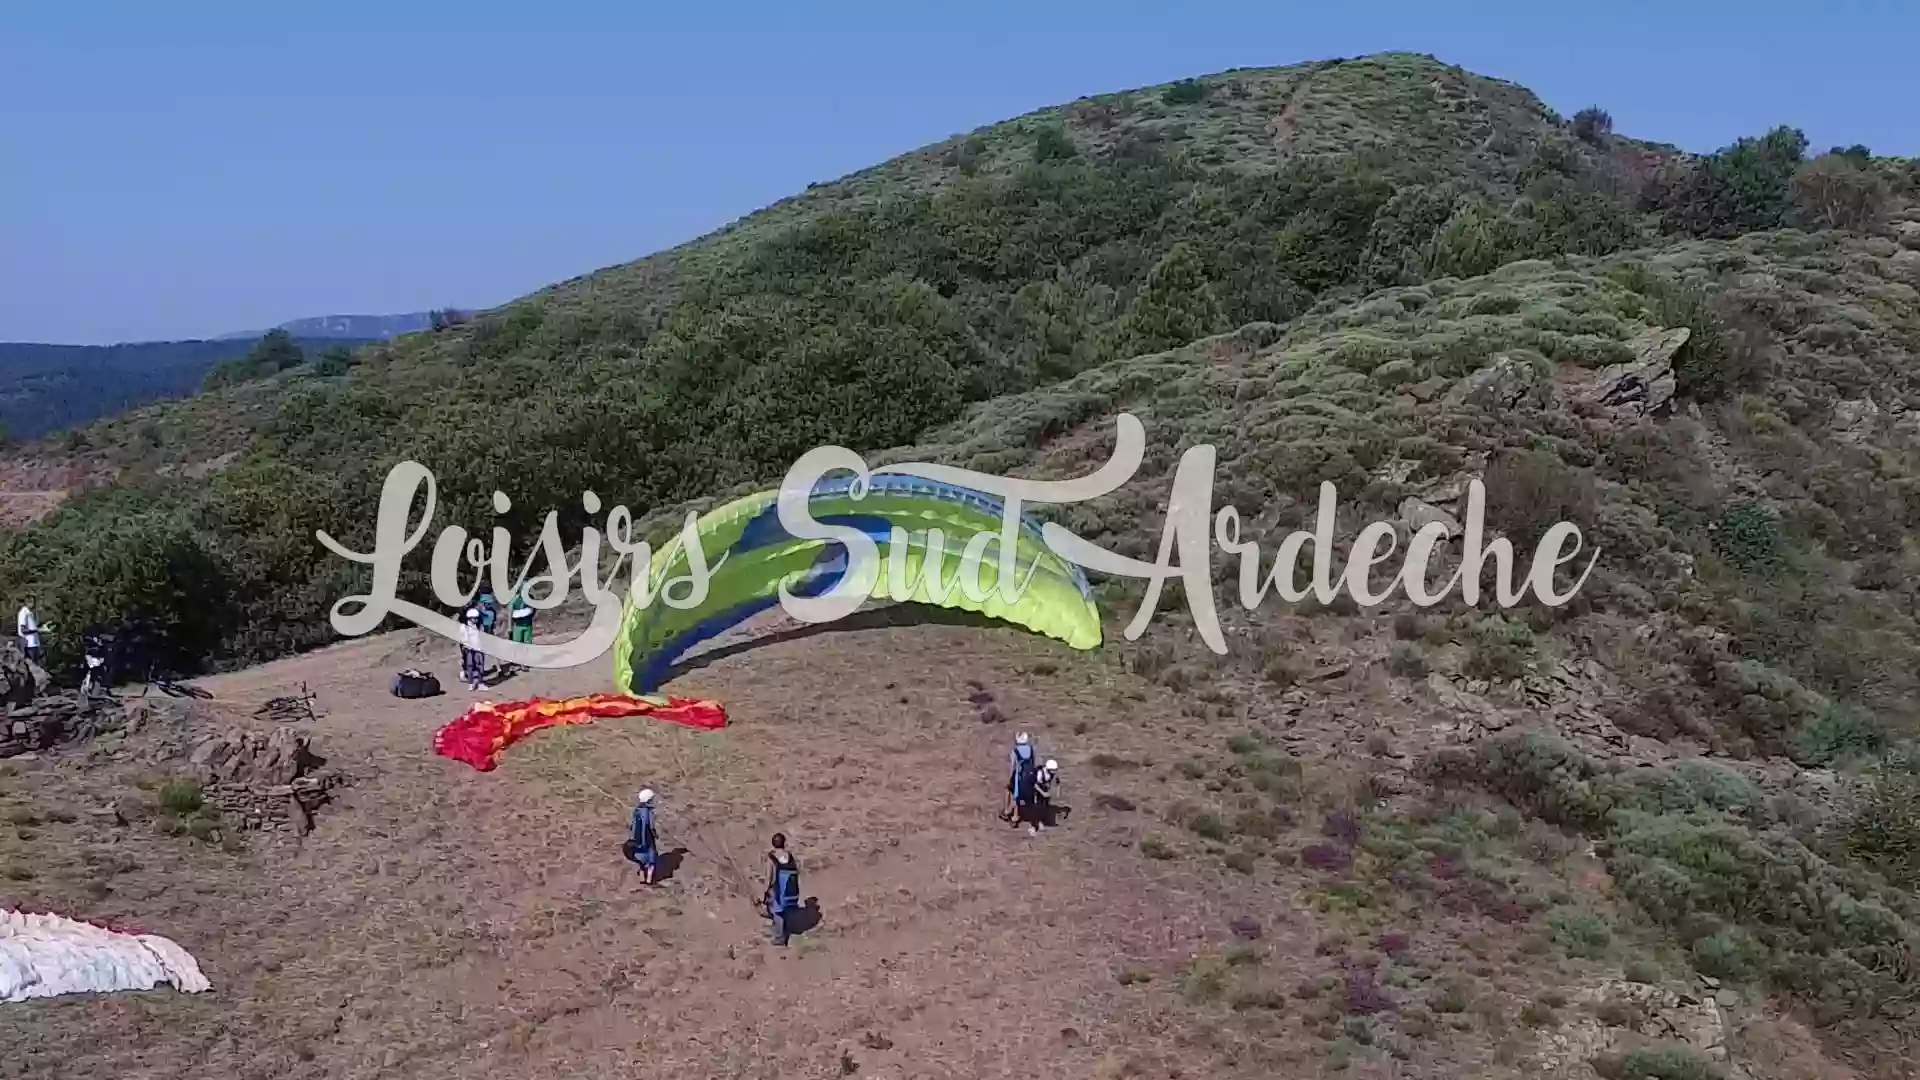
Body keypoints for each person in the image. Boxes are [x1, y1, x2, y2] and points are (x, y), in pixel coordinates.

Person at [763, 833, 802, 946]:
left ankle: (780, 937)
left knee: (777, 912)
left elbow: (769, 876)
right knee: (785, 909)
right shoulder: (790, 856)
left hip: (778, 889)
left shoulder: (772, 858)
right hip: (790, 891)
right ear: (784, 842)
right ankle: (784, 929)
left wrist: (765, 891)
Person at [1003, 731, 1039, 825]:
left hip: (1018, 776)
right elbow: (1033, 763)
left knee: (1013, 793)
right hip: (1029, 776)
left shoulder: (1015, 751)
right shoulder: (1030, 749)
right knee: (1019, 795)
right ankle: (1013, 814)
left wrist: (1009, 778)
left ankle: (1010, 813)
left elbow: (1013, 766)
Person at [629, 788, 659, 885]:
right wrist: (655, 834)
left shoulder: (636, 811)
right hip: (647, 839)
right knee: (651, 860)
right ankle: (649, 879)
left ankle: (642, 878)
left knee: (640, 859)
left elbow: (632, 825)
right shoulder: (649, 812)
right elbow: (651, 826)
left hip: (637, 840)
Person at [458, 606, 486, 690]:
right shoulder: (463, 627)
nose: (476, 620)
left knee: (480, 665)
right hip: (468, 649)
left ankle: (481, 683)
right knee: (470, 665)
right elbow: (461, 639)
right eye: (474, 618)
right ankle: (470, 683)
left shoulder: (479, 627)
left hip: (479, 648)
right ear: (470, 618)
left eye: (477, 618)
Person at [1032, 759, 1060, 831]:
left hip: (1044, 789)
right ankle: (1037, 822)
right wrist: (1043, 793)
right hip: (1037, 789)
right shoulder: (1040, 773)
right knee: (1038, 806)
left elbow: (1056, 782)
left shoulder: (1051, 773)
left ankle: (1042, 820)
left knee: (1044, 805)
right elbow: (1035, 785)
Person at [15, 596, 43, 667]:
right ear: (27, 602)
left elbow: (32, 626)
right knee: (31, 666)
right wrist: (37, 630)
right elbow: (23, 630)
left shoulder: (30, 613)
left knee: (36, 666)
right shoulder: (23, 613)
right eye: (32, 602)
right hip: (28, 644)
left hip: (34, 643)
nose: (34, 604)